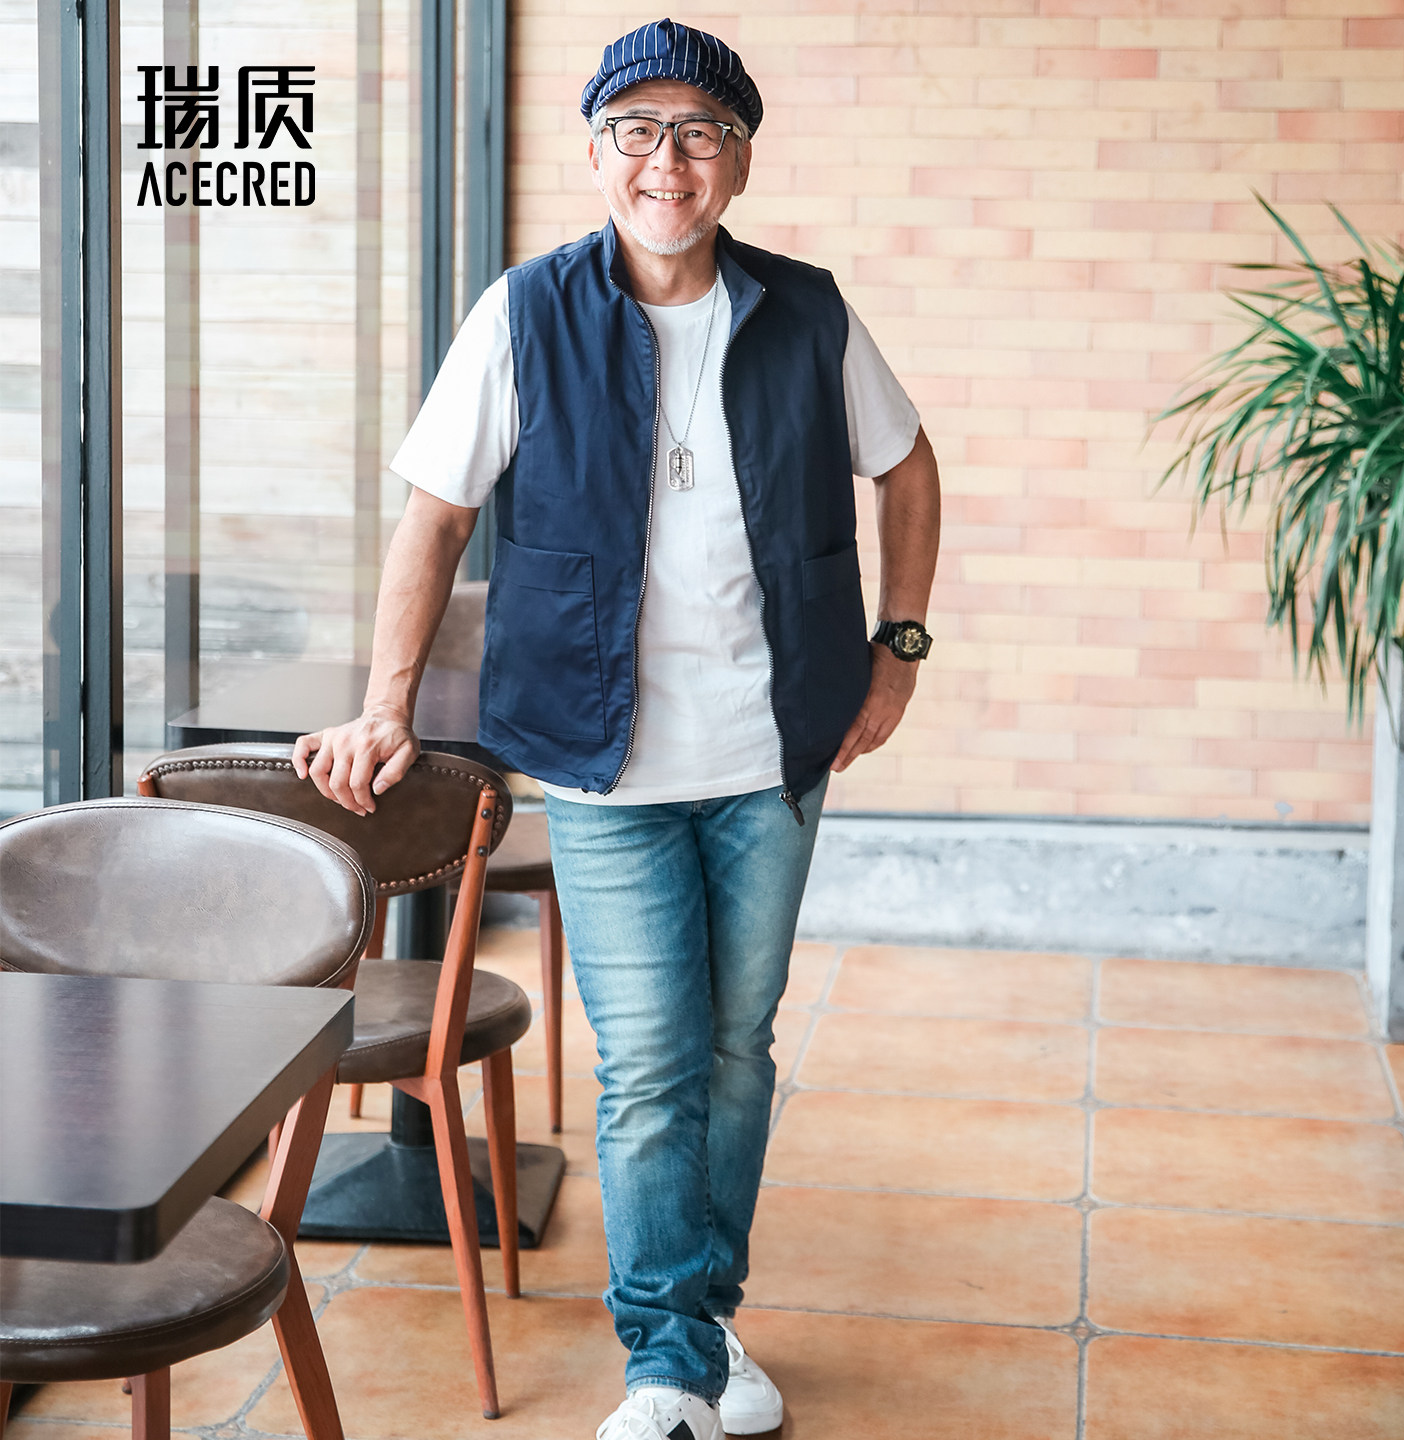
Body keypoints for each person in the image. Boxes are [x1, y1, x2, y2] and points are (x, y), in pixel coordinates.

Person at [293, 18, 940, 1439]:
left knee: (736, 1050)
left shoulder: (807, 312)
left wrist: (897, 653)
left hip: (776, 751)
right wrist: (386, 704)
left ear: (742, 162)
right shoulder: (523, 312)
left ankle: (703, 1326)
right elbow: (435, 517)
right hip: (605, 762)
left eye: (701, 133)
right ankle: (666, 1365)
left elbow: (906, 468)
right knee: (651, 1063)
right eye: (636, 132)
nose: (668, 161)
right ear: (595, 156)